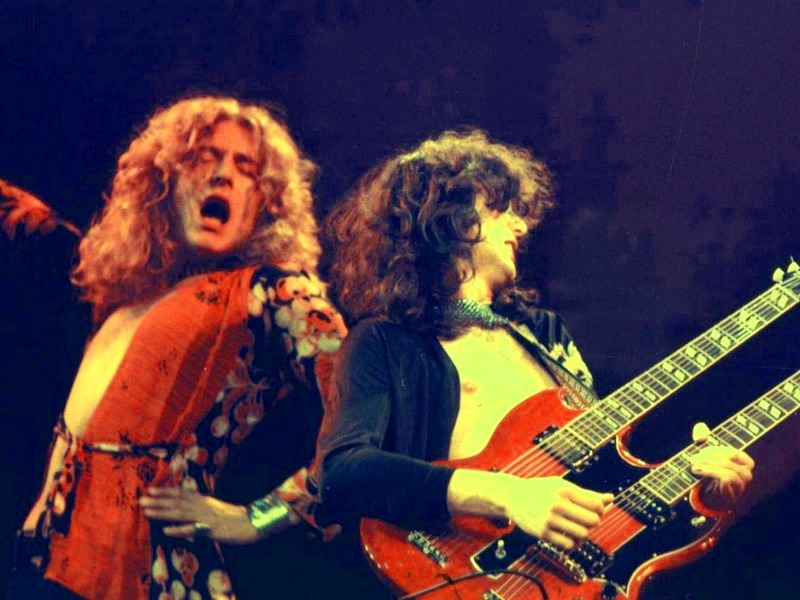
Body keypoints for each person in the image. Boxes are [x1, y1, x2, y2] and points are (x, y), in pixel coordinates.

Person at [314, 129, 755, 595]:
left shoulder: (544, 334)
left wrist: (698, 492)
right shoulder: (384, 342)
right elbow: (342, 472)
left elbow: (600, 484)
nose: (521, 227)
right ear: (448, 218)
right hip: (447, 576)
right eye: (499, 208)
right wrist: (508, 495)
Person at [8, 95, 346, 600]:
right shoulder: (128, 295)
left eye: (246, 168)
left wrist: (260, 516)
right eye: (204, 157)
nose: (223, 175)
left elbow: (370, 410)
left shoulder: (272, 291)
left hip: (149, 576)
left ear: (266, 201)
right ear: (163, 180)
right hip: (40, 565)